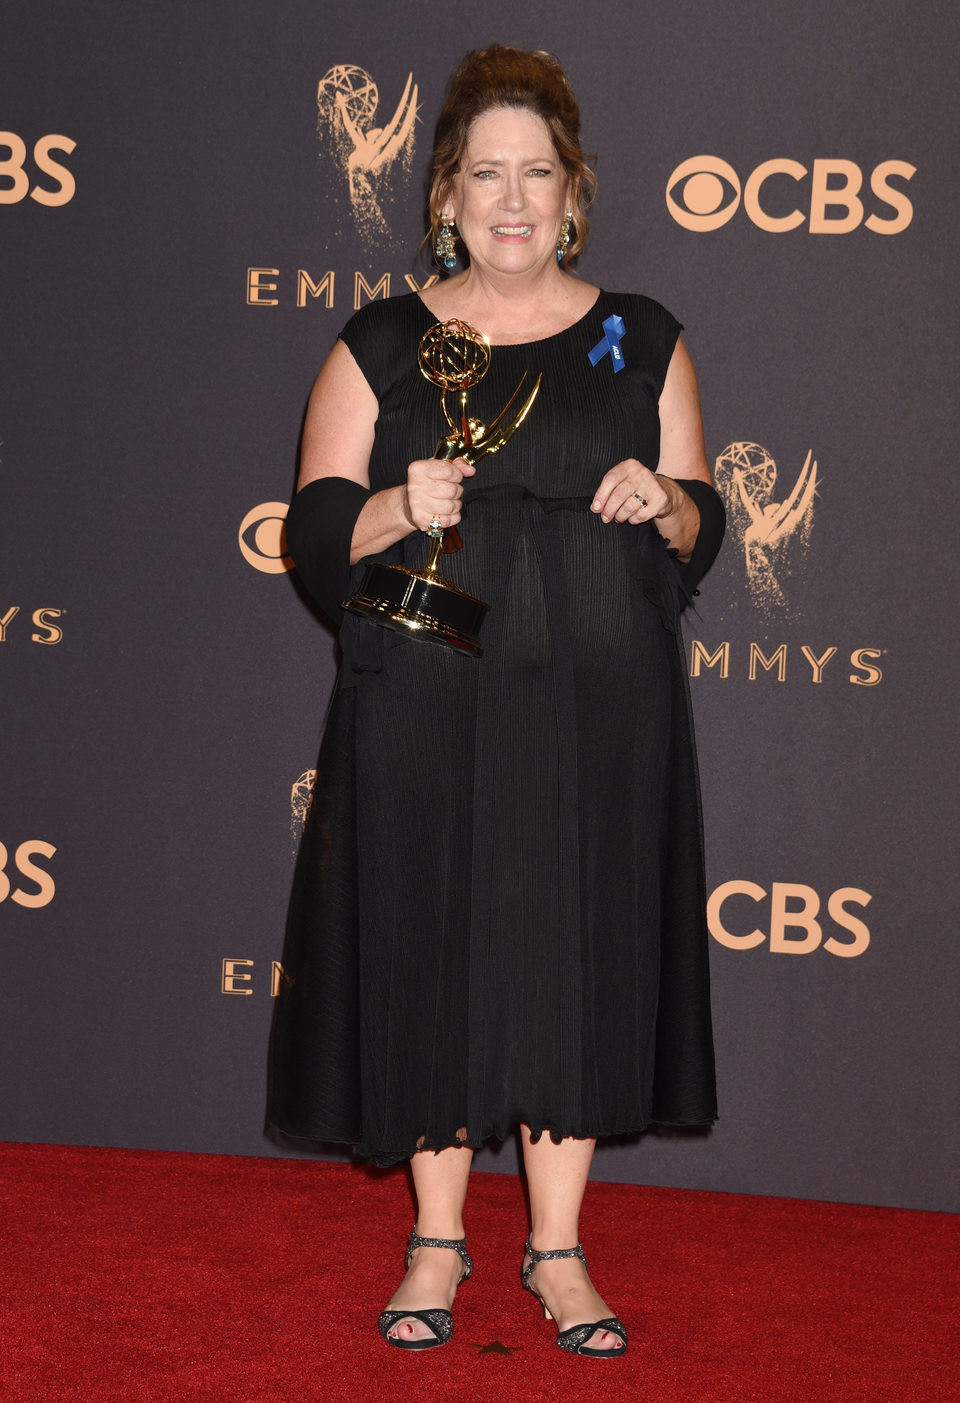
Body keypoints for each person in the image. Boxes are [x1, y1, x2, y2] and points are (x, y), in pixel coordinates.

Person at [267, 44, 724, 1358]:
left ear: (573, 191)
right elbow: (310, 531)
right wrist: (394, 507)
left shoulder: (644, 334)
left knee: (572, 950)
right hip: (424, 693)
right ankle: (435, 1242)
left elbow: (703, 525)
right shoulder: (381, 342)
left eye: (537, 175)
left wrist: (669, 504)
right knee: (429, 943)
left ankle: (562, 1252)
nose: (511, 199)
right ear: (445, 198)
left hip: (598, 705)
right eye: (485, 175)